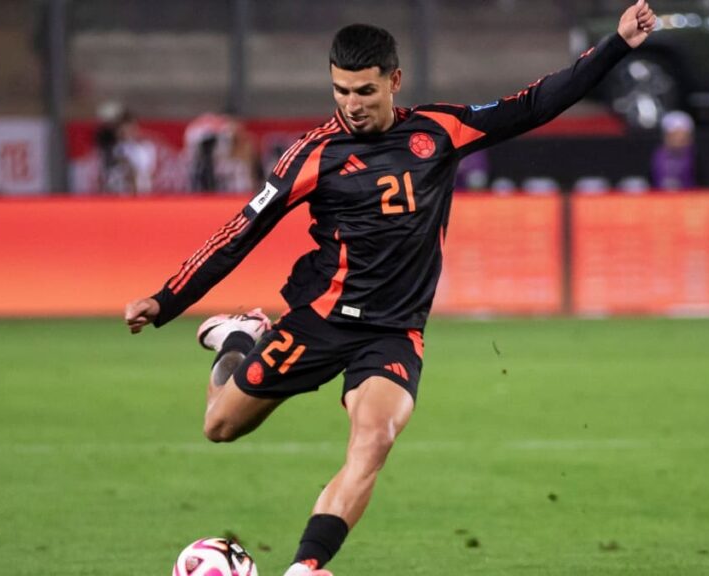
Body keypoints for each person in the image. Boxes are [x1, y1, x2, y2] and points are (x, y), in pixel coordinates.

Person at [125, 2, 656, 574]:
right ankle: (239, 336)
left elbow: (532, 105)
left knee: (374, 438)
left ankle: (306, 566)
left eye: (364, 91)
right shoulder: (314, 153)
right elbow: (241, 231)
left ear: (393, 82)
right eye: (341, 91)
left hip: (393, 332)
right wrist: (167, 299)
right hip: (320, 320)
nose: (351, 105)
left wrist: (617, 44)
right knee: (220, 426)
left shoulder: (439, 130)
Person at [650, 109, 697, 191]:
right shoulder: (656, 155)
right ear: (666, 136)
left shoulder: (696, 157)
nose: (679, 139)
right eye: (674, 135)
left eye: (683, 136)